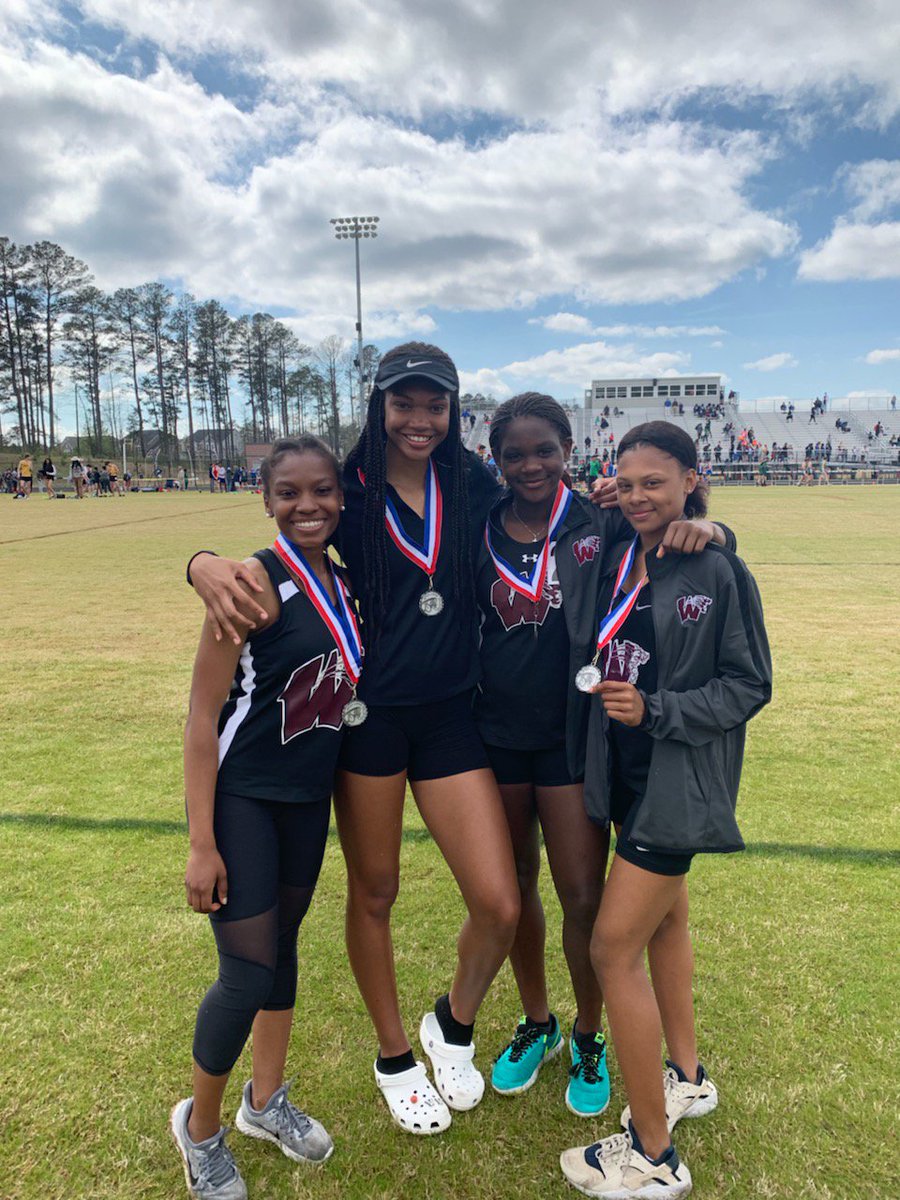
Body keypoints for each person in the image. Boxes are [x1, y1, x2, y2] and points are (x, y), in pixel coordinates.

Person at [188, 343, 520, 1137]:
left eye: (434, 404)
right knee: (375, 893)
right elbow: (283, 537)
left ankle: (453, 1023)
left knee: (500, 903)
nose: (418, 419)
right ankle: (396, 1055)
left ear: (453, 409)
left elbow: (546, 506)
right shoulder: (354, 486)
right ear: (379, 407)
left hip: (448, 715)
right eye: (403, 404)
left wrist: (687, 514)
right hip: (366, 719)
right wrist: (197, 561)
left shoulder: (471, 482)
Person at [475, 395, 732, 1121]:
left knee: (583, 894)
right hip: (492, 736)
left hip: (571, 734)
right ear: (497, 458)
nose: (531, 465)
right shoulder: (479, 524)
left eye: (545, 451)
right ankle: (538, 1020)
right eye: (515, 453)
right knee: (516, 885)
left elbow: (682, 537)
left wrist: (716, 527)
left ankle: (589, 1033)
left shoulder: (601, 517)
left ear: (568, 451)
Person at [560, 422, 771, 1198]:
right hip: (619, 775)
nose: (640, 494)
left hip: (672, 786)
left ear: (692, 478)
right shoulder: (621, 549)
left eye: (657, 481)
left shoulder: (714, 567)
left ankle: (651, 1157)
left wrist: (658, 712)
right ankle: (686, 1079)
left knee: (614, 952)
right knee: (668, 924)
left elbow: (749, 685)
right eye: (628, 480)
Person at [171, 435, 355, 1200]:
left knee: (281, 953)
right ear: (266, 498)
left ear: (341, 498)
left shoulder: (343, 583)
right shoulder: (249, 582)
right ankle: (201, 1129)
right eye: (290, 493)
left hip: (307, 802)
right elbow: (201, 714)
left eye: (322, 491)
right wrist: (201, 843)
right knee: (245, 972)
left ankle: (263, 1101)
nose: (307, 506)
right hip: (245, 798)